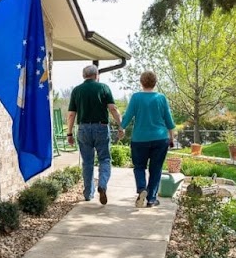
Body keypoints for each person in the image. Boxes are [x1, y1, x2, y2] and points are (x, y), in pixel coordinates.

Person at [66, 65, 124, 204]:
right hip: (101, 128)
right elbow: (113, 109)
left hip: (83, 128)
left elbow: (71, 114)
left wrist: (69, 133)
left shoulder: (77, 90)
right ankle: (102, 185)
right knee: (104, 159)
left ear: (83, 75)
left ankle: (88, 194)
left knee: (87, 162)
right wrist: (121, 126)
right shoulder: (103, 88)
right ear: (96, 75)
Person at [120, 70, 176, 207]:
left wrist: (121, 128)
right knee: (156, 169)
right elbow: (169, 120)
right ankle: (151, 199)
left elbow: (128, 115)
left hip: (139, 139)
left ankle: (141, 189)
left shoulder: (136, 97)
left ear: (141, 82)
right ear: (155, 83)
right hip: (160, 138)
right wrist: (172, 138)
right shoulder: (161, 98)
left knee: (139, 166)